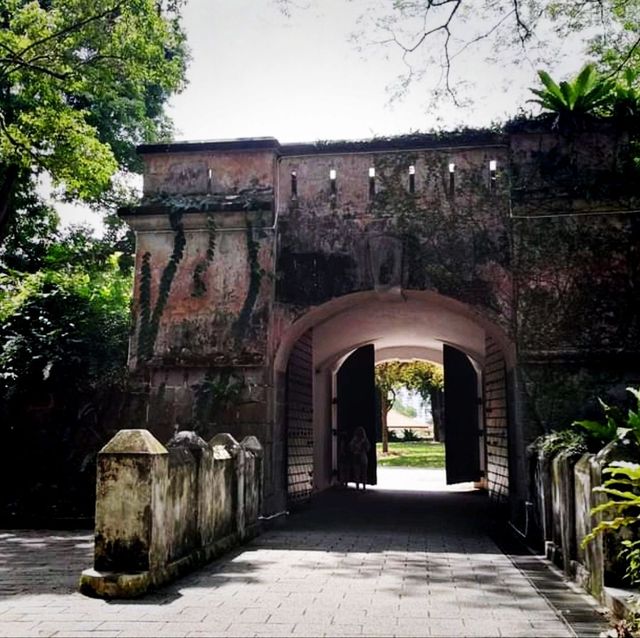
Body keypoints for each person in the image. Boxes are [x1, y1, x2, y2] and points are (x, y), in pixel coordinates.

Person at [349, 426, 370, 491]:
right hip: (363, 457)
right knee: (364, 473)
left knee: (357, 473)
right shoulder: (365, 440)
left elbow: (351, 448)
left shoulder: (354, 440)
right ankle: (364, 487)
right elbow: (368, 448)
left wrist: (355, 449)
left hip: (356, 457)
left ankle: (357, 487)